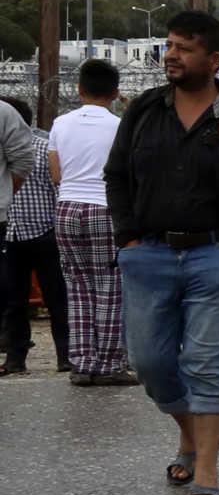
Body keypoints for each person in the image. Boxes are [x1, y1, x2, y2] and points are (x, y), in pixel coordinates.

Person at [103, 10, 219, 495]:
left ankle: (206, 471)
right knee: (150, 363)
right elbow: (116, 175)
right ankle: (189, 435)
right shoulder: (144, 111)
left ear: (214, 58)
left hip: (215, 258)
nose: (172, 55)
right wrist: (129, 239)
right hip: (148, 255)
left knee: (203, 363)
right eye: (169, 45)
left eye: (184, 48)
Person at [44, 60, 132, 384]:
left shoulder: (60, 124)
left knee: (77, 287)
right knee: (109, 287)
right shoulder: (119, 126)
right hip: (105, 209)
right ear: (115, 93)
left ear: (79, 89)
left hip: (66, 209)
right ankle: (109, 364)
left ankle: (81, 363)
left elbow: (56, 174)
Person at [2, 90, 74, 379]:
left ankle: (16, 359)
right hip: (40, 231)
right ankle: (64, 357)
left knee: (15, 300)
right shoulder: (46, 149)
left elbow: (59, 189)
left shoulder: (42, 150)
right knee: (56, 298)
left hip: (25, 233)